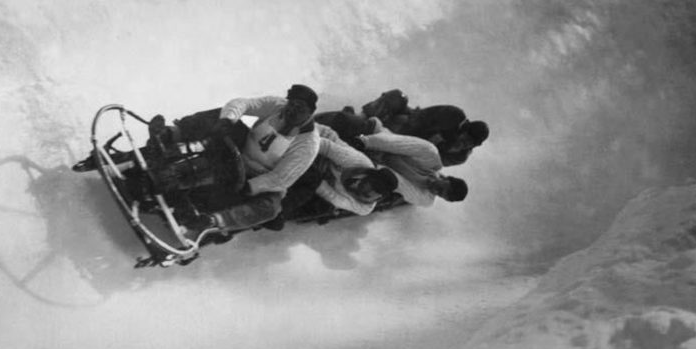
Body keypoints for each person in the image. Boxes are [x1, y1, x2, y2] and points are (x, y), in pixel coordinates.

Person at [150, 84, 321, 236]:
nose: (292, 111)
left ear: (310, 113)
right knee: (220, 115)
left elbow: (281, 178)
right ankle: (168, 135)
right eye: (292, 104)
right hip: (237, 151)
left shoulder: (308, 144)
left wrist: (250, 187)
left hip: (258, 179)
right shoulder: (277, 105)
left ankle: (213, 221)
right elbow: (243, 104)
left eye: (300, 109)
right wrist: (227, 120)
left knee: (271, 208)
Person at [355, 127, 468, 207]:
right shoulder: (432, 157)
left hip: (370, 168)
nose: (436, 191)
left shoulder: (425, 199)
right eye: (441, 188)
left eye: (439, 194)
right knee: (348, 121)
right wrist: (365, 142)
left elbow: (396, 181)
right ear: (447, 179)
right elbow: (398, 143)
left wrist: (370, 165)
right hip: (376, 141)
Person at [387, 105, 489, 166]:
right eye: (467, 139)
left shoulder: (460, 156)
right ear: (464, 129)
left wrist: (441, 147)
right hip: (408, 127)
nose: (466, 145)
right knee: (396, 99)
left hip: (412, 153)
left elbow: (431, 163)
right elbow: (418, 119)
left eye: (471, 144)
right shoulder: (454, 115)